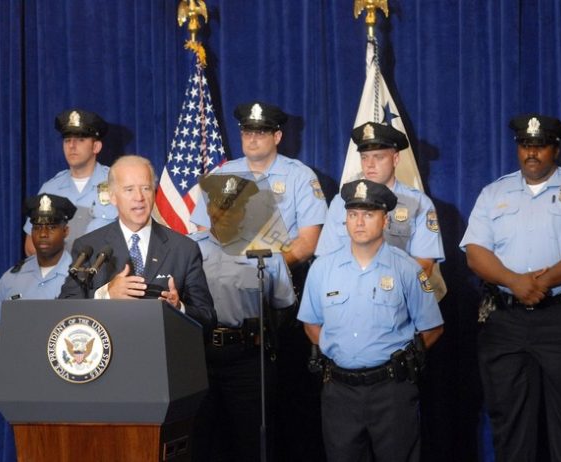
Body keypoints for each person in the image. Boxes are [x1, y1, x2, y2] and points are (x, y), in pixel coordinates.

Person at [460, 113, 561, 461]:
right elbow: (475, 253)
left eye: (540, 146)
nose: (532, 153)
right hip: (506, 322)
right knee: (508, 421)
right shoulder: (493, 192)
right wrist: (515, 282)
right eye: (526, 145)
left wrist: (542, 283)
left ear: (555, 149)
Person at [298, 179, 444, 462]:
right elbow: (311, 323)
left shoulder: (408, 269)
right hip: (339, 391)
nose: (359, 222)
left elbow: (432, 327)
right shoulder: (322, 269)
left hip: (391, 391)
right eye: (353, 214)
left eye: (368, 214)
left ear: (385, 219)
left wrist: (403, 360)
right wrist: (340, 352)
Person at [190, 173, 296, 462]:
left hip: (248, 360)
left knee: (253, 443)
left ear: (244, 211)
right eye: (218, 206)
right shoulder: (187, 248)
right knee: (201, 443)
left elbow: (284, 307)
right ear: (208, 208)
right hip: (196, 359)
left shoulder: (267, 253)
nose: (223, 213)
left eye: (232, 207)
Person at [59, 155, 216, 331]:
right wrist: (106, 295)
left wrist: (179, 308)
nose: (139, 197)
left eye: (146, 188)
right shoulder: (88, 246)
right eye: (129, 190)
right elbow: (65, 309)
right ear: (113, 197)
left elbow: (208, 317)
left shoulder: (184, 248)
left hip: (163, 352)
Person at [190, 101, 327, 268]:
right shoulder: (221, 175)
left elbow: (308, 242)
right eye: (247, 133)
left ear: (277, 137)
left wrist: (267, 271)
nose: (252, 140)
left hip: (282, 281)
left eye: (260, 133)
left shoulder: (300, 177)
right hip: (226, 279)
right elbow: (204, 233)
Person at [316, 121, 444, 277]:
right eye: (364, 157)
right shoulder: (341, 202)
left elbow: (424, 265)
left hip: (398, 294)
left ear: (395, 159)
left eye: (378, 157)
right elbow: (325, 259)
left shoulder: (418, 204)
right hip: (348, 294)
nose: (369, 165)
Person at [23, 108, 118, 255]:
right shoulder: (51, 189)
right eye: (67, 140)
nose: (72, 146)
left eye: (80, 139)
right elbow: (30, 246)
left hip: (106, 272)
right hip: (61, 274)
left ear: (96, 146)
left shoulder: (117, 182)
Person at [0, 194, 76, 342]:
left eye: (51, 227)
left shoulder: (79, 276)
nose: (43, 234)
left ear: (65, 231)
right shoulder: (11, 278)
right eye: (37, 227)